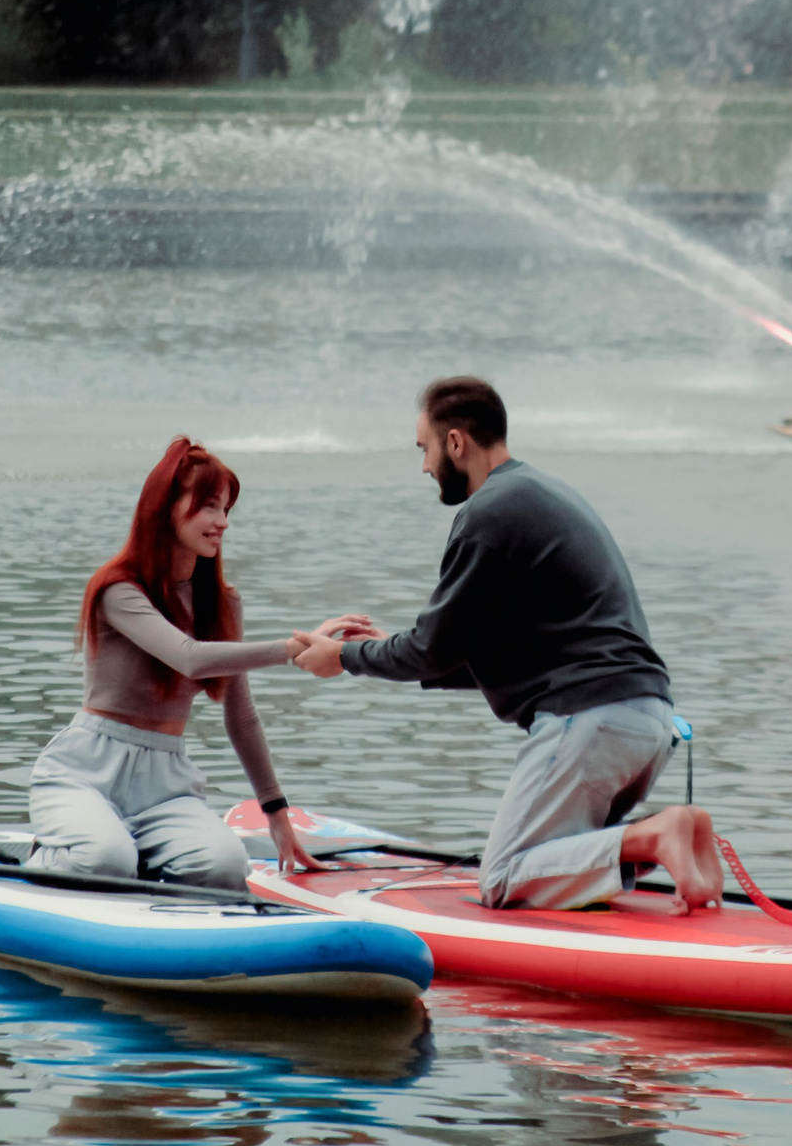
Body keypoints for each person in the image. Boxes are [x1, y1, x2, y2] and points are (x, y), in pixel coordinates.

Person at [290, 376, 726, 914]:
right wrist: (391, 650)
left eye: (424, 448)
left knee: (501, 878)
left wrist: (342, 657)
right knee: (558, 861)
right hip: (648, 721)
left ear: (455, 442)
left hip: (591, 721)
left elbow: (431, 650)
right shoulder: (541, 493)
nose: (424, 466)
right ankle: (673, 839)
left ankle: (657, 835)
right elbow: (484, 654)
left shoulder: (488, 512)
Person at [23, 436, 347, 886]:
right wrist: (293, 648)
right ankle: (50, 857)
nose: (223, 522)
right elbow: (189, 658)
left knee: (224, 867)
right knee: (105, 859)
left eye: (226, 509)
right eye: (209, 506)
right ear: (166, 508)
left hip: (165, 784)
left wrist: (276, 814)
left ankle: (135, 859)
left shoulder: (223, 605)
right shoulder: (118, 590)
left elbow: (242, 716)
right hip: (86, 773)